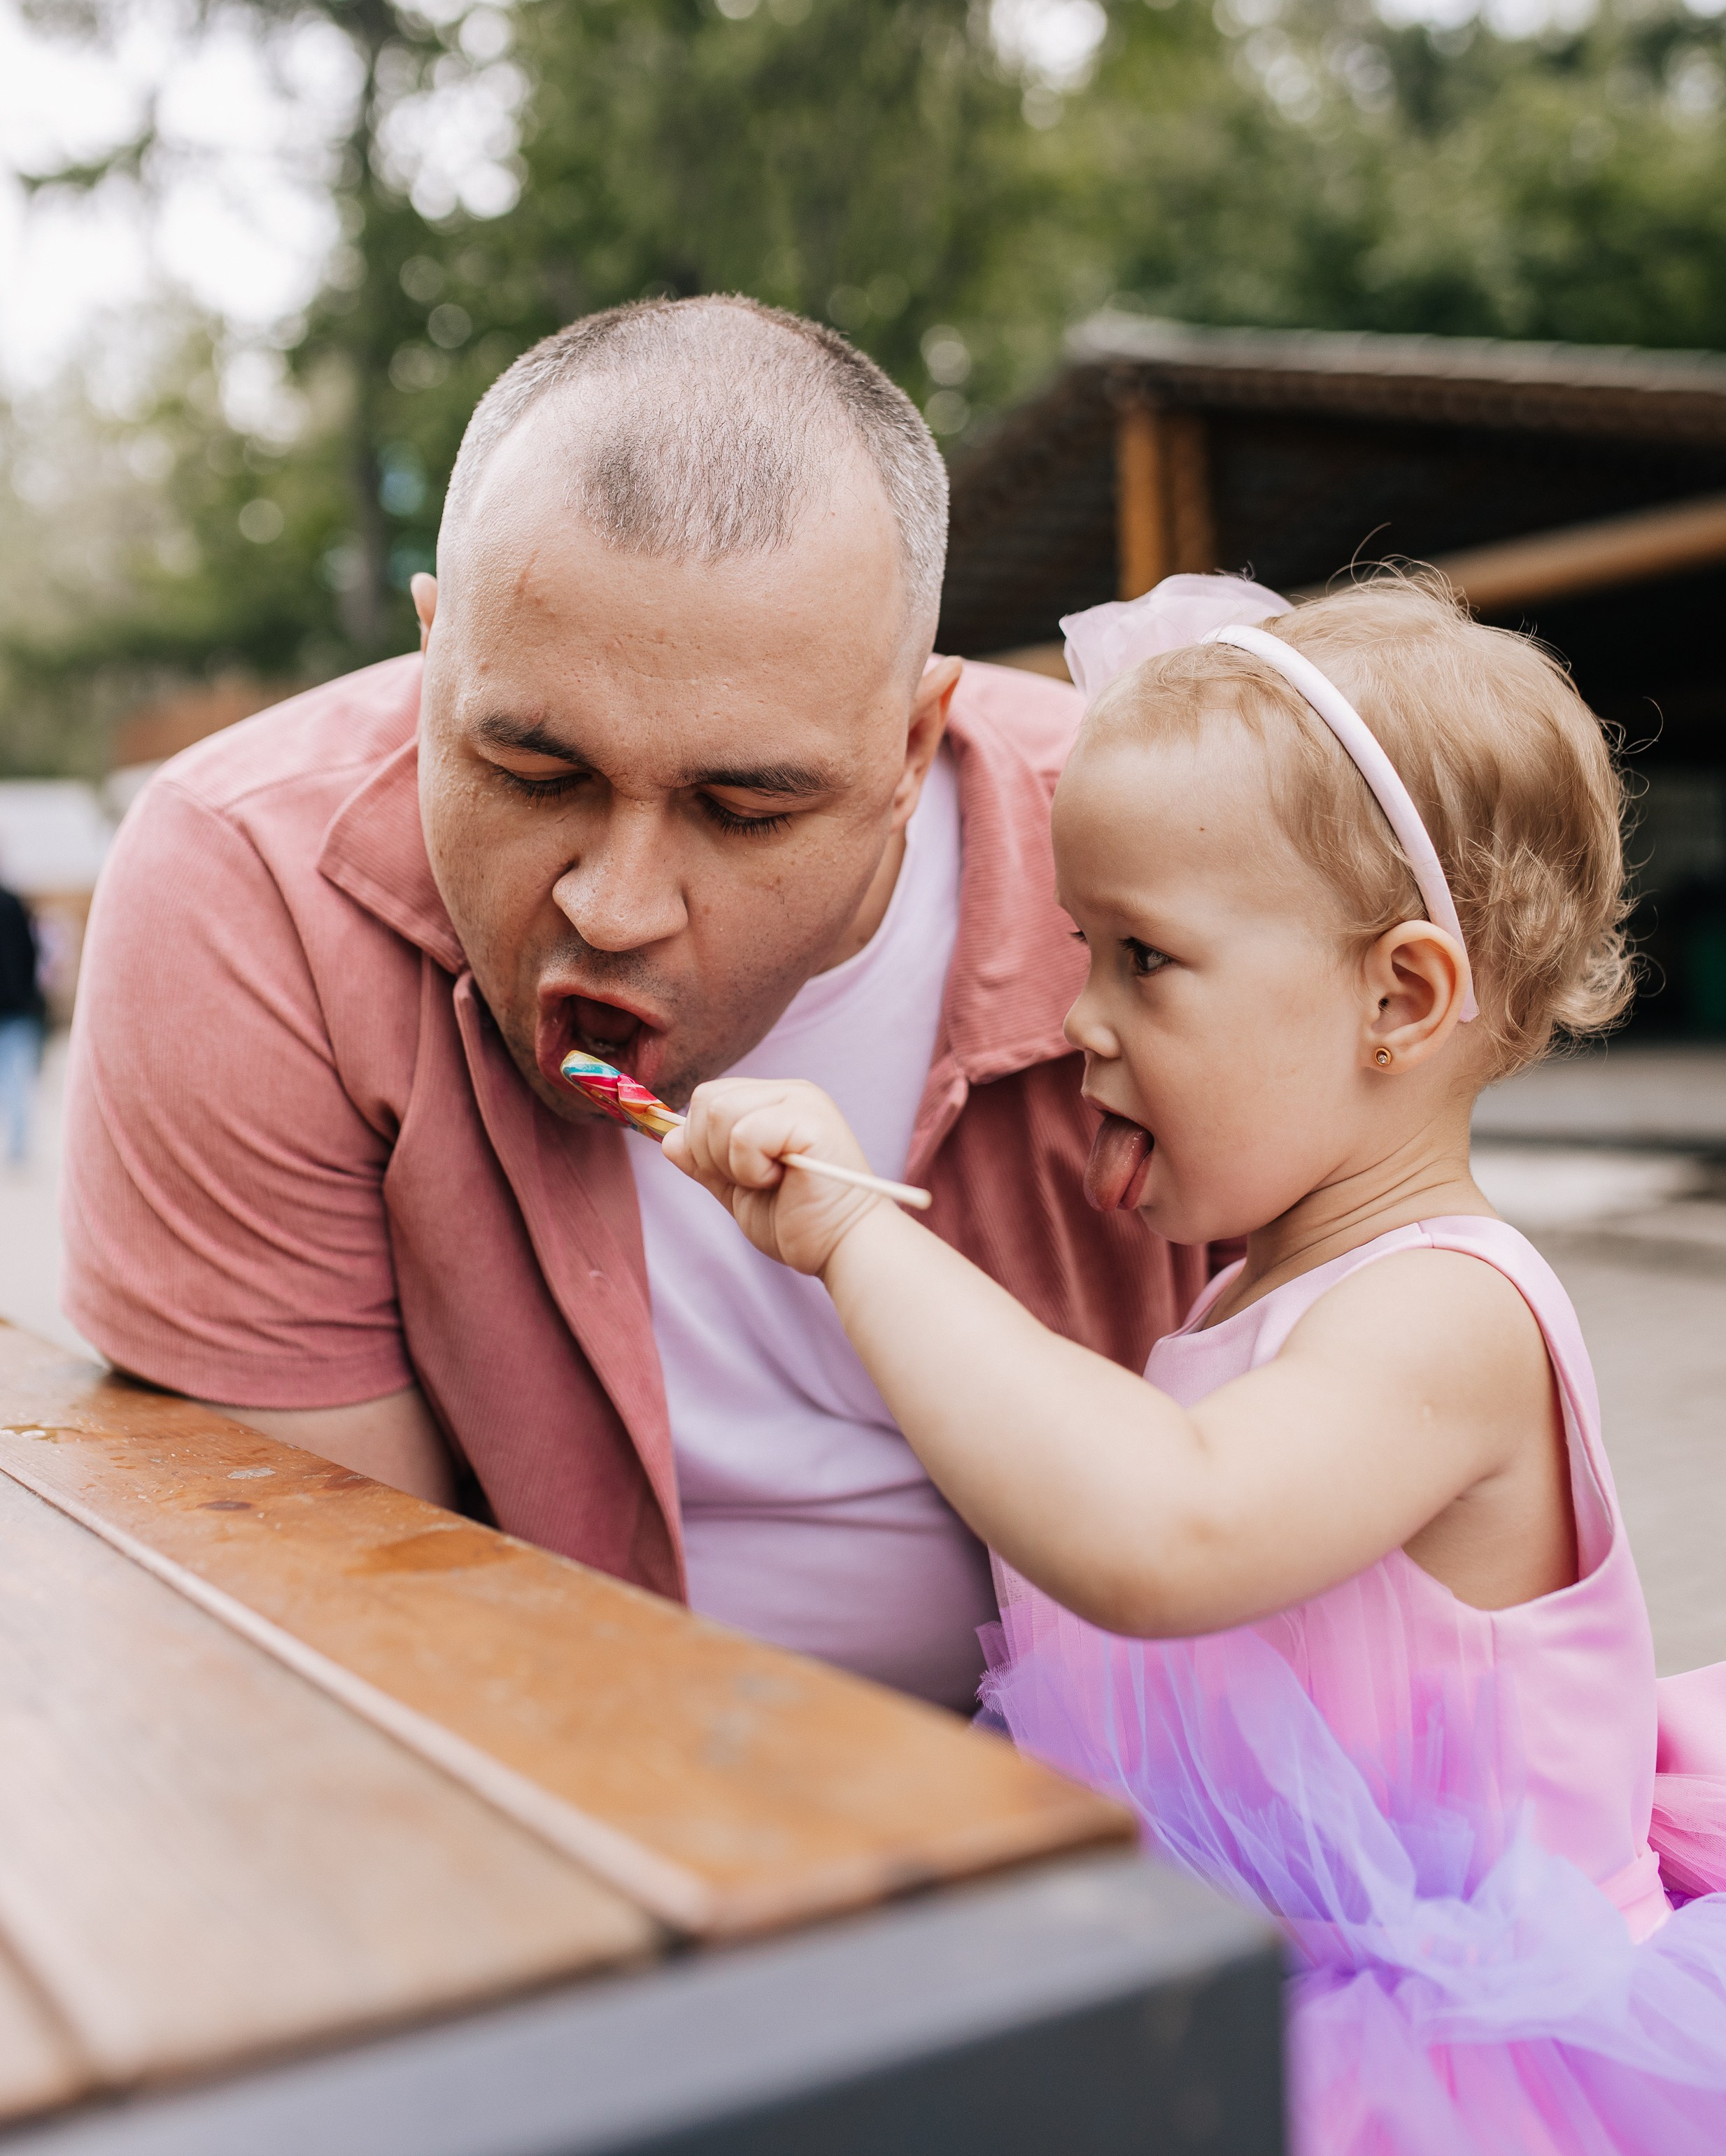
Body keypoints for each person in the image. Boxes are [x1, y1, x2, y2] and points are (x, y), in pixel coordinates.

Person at [665, 568, 1726, 2152]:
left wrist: (855, 1240)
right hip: (1241, 1996)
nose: (1080, 1016)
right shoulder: (1249, 1296)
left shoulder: (1446, 1313)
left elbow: (1163, 1532)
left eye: (1144, 959)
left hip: (1459, 2064)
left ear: (1398, 993)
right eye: (1081, 943)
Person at [60, 296, 1212, 1711]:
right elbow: (334, 1641)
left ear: (912, 743)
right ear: (435, 662)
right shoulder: (252, 885)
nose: (614, 904)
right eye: (534, 775)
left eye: (744, 808)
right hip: (535, 1796)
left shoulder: (1183, 874)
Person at [0, 872, 45, 1168]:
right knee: (17, 1079)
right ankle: (17, 1146)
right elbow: (32, 952)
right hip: (18, 1005)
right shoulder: (15, 904)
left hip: (15, 1006)